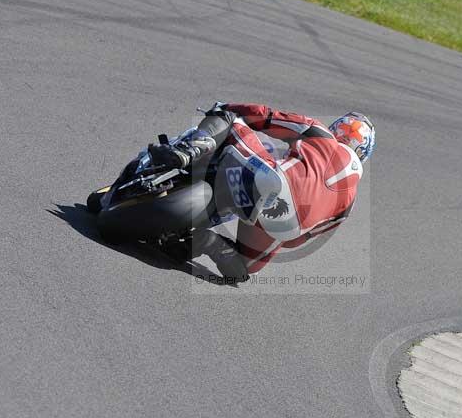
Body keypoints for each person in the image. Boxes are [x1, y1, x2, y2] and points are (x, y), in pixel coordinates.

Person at [148, 102, 375, 283]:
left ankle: (186, 151)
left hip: (272, 181)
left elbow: (265, 116)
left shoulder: (320, 133)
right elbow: (302, 239)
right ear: (363, 152)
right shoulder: (350, 202)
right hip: (286, 227)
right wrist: (276, 233)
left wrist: (230, 107)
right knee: (241, 270)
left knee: (228, 117)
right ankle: (203, 241)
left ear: (337, 127)